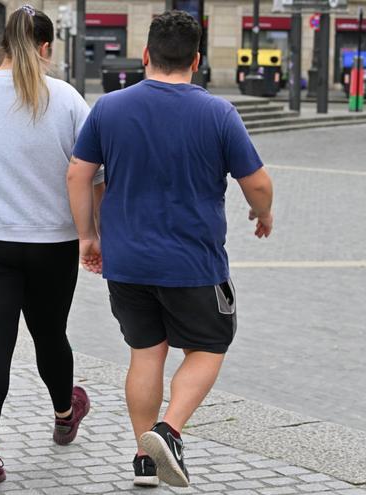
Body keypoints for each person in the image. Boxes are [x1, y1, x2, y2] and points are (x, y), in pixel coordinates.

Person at [67, 10, 273, 488]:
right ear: (196, 60)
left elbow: (78, 173)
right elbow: (258, 184)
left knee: (145, 355)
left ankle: (145, 459)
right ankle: (169, 430)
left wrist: (87, 235)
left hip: (127, 261)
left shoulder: (110, 108)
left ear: (145, 55)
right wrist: (262, 213)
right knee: (209, 346)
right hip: (193, 263)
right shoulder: (218, 113)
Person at [0, 4, 95, 486]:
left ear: (2, 45)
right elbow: (90, 170)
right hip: (50, 239)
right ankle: (65, 413)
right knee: (50, 334)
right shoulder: (67, 99)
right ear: (46, 47)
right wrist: (93, 233)